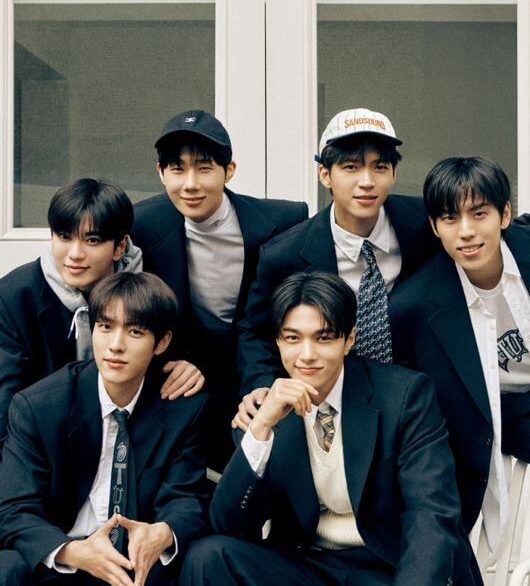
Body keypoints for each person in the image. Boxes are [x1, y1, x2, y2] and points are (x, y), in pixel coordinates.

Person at [180, 271, 479, 586]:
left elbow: (430, 516)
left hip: (388, 565)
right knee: (208, 557)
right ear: (278, 341)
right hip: (308, 564)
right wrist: (261, 428)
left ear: (349, 340)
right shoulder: (264, 408)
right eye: (293, 338)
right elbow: (227, 525)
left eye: (323, 338)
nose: (307, 355)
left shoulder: (405, 396)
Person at [0, 271, 208, 586]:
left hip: (138, 566)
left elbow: (186, 497)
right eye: (105, 327)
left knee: (198, 557)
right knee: (8, 565)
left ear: (162, 342)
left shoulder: (181, 408)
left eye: (135, 331)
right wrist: (73, 551)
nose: (115, 345)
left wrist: (163, 532)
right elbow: (14, 508)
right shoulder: (39, 407)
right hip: (65, 560)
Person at [235, 107, 438, 428]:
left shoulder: (426, 225)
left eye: (379, 167)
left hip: (419, 398)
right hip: (330, 400)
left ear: (394, 174)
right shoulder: (284, 255)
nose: (367, 182)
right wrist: (261, 383)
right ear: (325, 175)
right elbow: (255, 331)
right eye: (351, 167)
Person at [132, 109, 308, 469]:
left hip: (254, 364)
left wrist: (264, 381)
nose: (190, 184)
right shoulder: (143, 225)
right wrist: (165, 361)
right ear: (161, 173)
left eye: (204, 168)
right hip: (184, 368)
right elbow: (138, 308)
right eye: (177, 169)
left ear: (229, 171)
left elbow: (282, 316)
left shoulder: (281, 222)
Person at [390, 156, 530, 557]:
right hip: (492, 423)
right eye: (450, 218)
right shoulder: (412, 307)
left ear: (504, 215)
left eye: (479, 214)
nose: (466, 232)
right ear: (435, 227)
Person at [0, 177, 143, 455]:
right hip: (43, 447)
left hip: (128, 438)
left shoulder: (147, 289)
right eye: (64, 237)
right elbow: (5, 410)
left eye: (92, 240)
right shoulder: (14, 297)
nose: (75, 254)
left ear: (119, 247)